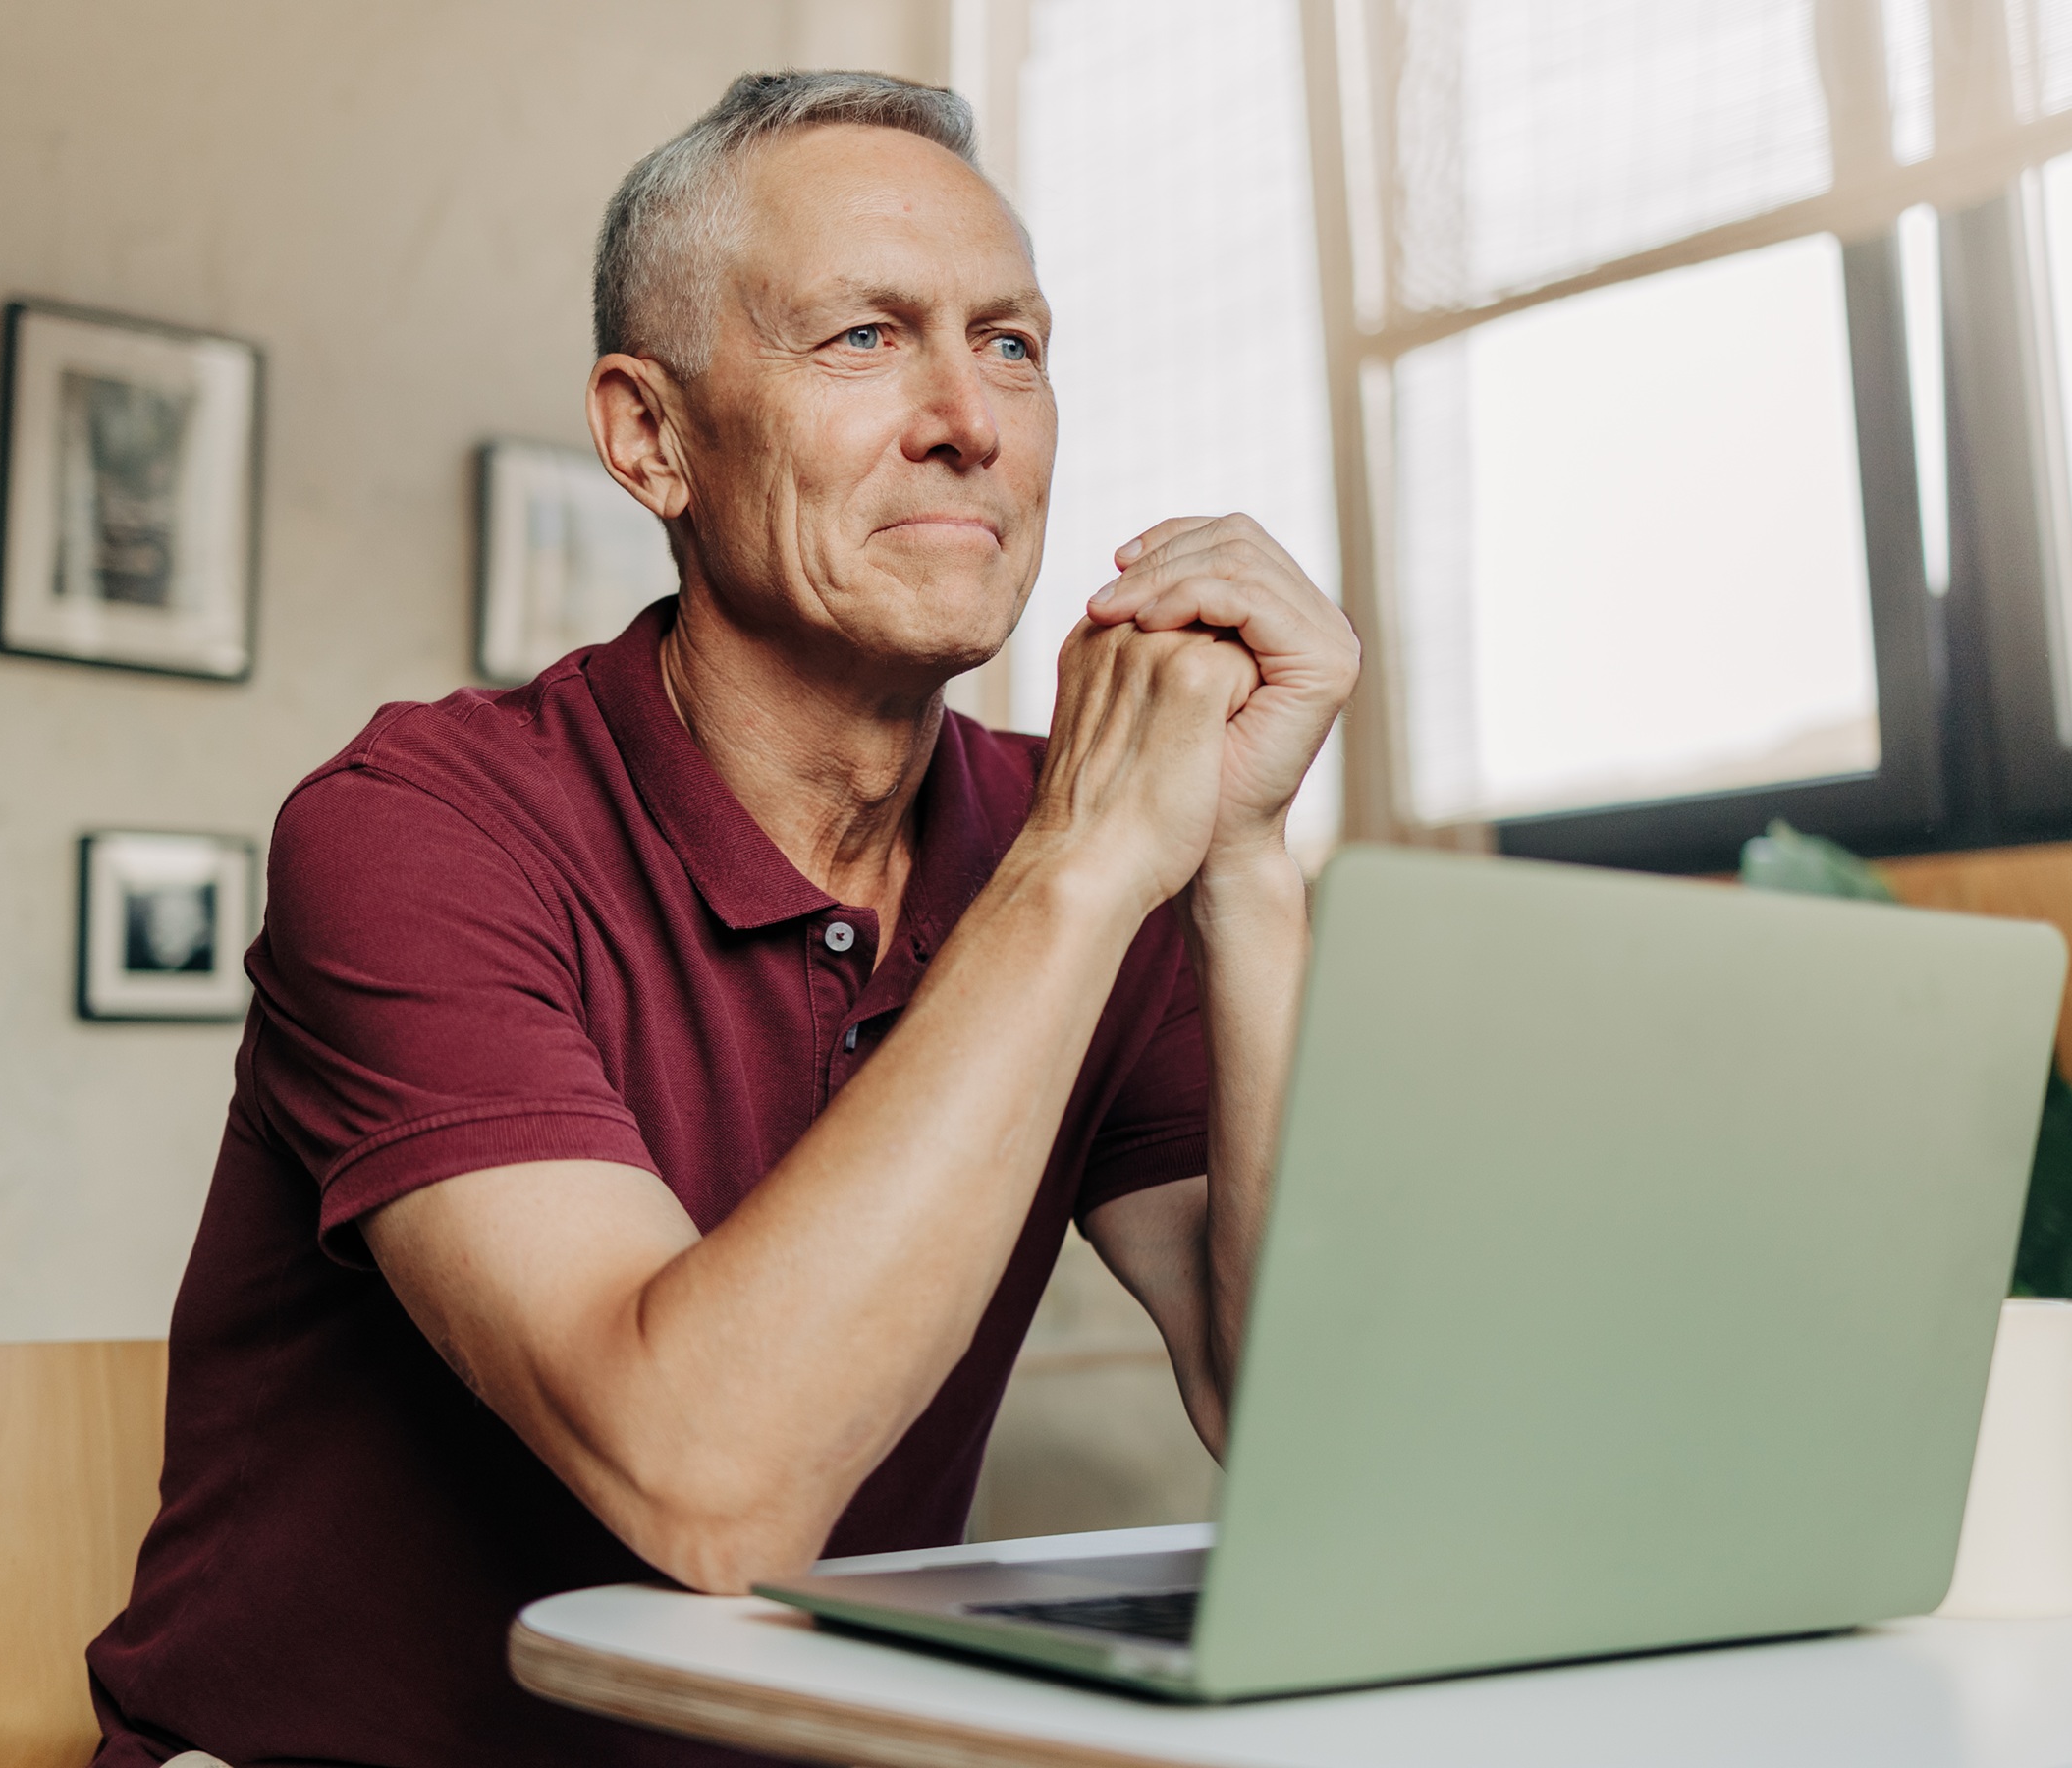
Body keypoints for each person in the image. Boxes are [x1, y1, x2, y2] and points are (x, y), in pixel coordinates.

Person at [85, 69, 1356, 1768]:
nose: (969, 418)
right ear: (650, 436)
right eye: (861, 339)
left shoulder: (1082, 839)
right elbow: (709, 1489)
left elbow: (1297, 1430)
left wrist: (1246, 864)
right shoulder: (412, 832)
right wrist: (1088, 865)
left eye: (1012, 344)